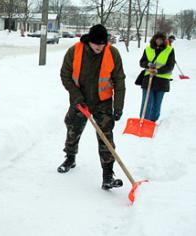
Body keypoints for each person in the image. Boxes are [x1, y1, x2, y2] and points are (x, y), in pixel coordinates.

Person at [58, 24, 126, 190]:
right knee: (73, 129)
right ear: (89, 40)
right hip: (80, 101)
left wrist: (118, 106)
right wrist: (76, 96)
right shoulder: (75, 51)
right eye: (97, 44)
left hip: (102, 102)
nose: (99, 47)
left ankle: (108, 175)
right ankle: (70, 157)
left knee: (106, 137)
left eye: (103, 44)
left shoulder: (113, 53)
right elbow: (65, 75)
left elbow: (119, 80)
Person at [138, 32, 175, 122]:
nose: (159, 41)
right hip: (148, 78)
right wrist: (148, 64)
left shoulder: (169, 50)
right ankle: (143, 120)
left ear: (164, 40)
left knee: (157, 103)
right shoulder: (148, 49)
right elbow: (141, 62)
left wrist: (157, 71)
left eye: (161, 39)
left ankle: (152, 121)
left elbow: (170, 66)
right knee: (146, 102)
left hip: (162, 81)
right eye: (157, 39)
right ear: (154, 39)